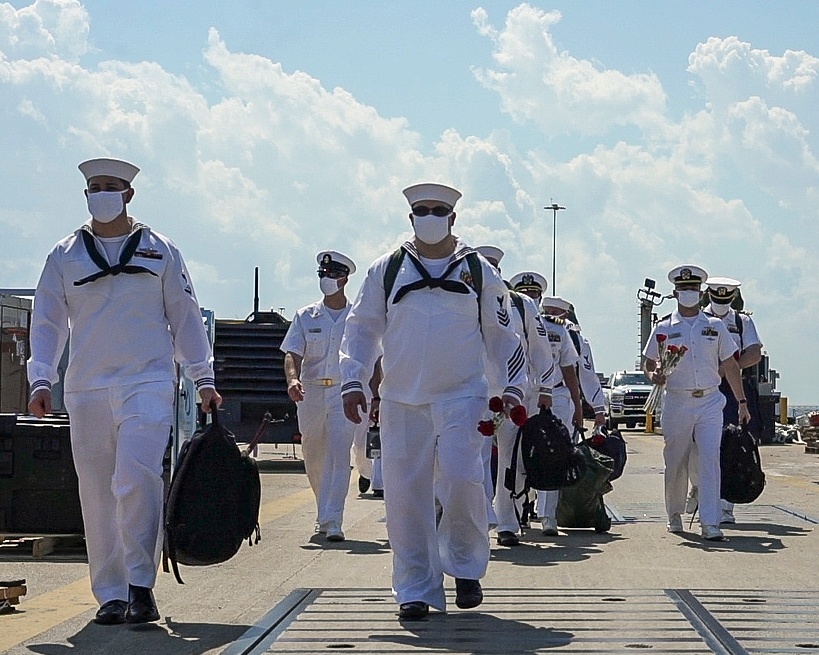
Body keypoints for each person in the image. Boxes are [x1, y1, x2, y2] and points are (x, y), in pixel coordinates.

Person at [27, 157, 221, 625]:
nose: (102, 192)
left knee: (135, 480)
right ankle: (110, 594)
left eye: (111, 185)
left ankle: (140, 584)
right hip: (87, 386)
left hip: (148, 380)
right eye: (95, 186)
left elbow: (184, 314)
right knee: (96, 491)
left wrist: (203, 376)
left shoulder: (160, 250)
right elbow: (48, 320)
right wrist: (40, 377)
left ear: (129, 194)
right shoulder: (64, 254)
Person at [340, 183, 528, 620]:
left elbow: (503, 334)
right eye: (421, 210)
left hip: (463, 397)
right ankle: (415, 588)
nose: (429, 215)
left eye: (437, 209)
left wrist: (513, 386)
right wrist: (354, 380)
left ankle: (463, 566)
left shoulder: (478, 271)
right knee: (405, 497)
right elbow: (362, 328)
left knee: (463, 482)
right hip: (403, 401)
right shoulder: (386, 270)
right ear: (410, 219)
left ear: (453, 218)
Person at [642, 265, 750, 541]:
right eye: (684, 289)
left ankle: (710, 522)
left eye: (693, 289)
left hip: (710, 401)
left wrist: (741, 401)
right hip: (677, 401)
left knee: (710, 459)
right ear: (675, 292)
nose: (688, 293)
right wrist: (654, 374)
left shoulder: (714, 327)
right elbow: (650, 361)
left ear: (701, 293)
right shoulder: (664, 326)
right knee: (675, 460)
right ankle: (674, 513)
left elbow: (730, 363)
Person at [476, 248, 555, 547]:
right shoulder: (459, 300)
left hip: (513, 392)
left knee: (511, 461)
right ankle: (479, 520)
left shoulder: (521, 306)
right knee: (474, 461)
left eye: (493, 267)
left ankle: (508, 522)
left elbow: (539, 348)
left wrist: (545, 388)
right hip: (471, 393)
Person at [281, 251, 359, 542]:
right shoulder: (306, 316)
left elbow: (373, 356)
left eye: (332, 274)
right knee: (313, 454)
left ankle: (333, 519)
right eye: (322, 275)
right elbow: (292, 352)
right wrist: (293, 378)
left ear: (344, 278)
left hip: (344, 391)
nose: (326, 279)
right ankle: (322, 511)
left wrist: (374, 392)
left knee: (340, 454)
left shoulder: (357, 318)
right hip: (311, 391)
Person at [510, 273, 583, 536]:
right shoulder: (507, 325)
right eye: (525, 294)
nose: (530, 299)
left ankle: (548, 515)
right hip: (517, 394)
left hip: (553, 396)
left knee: (552, 454)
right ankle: (517, 509)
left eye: (534, 294)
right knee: (516, 456)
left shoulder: (556, 329)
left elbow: (569, 369)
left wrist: (576, 405)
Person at [690, 276, 763, 524]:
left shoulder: (742, 322)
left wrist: (730, 367)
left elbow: (754, 352)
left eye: (726, 297)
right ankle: (698, 485)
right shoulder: (697, 320)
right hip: (700, 386)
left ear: (732, 298)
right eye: (716, 297)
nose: (721, 302)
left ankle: (725, 506)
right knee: (695, 444)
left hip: (733, 388)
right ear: (708, 296)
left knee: (729, 444)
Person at [541, 296, 606, 430]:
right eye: (546, 312)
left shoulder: (578, 341)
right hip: (531, 394)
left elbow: (587, 375)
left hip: (560, 394)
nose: (549, 317)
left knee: (561, 442)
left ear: (565, 315)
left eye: (554, 313)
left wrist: (598, 409)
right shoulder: (530, 331)